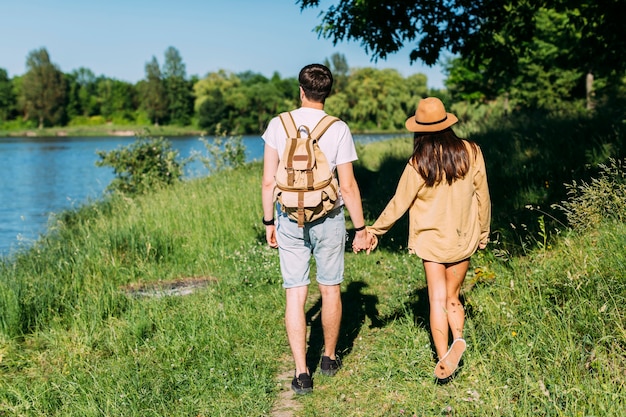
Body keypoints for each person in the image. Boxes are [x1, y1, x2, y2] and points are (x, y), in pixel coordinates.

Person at [364, 97, 491, 383]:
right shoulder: (471, 152)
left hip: (432, 242)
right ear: (447, 122)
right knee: (453, 297)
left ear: (419, 130)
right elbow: (483, 195)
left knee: (436, 300)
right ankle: (459, 337)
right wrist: (483, 231)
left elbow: (399, 203)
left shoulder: (418, 162)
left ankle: (445, 357)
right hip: (463, 237)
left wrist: (375, 231)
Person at [261, 63, 370, 394]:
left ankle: (301, 373)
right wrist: (361, 228)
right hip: (329, 216)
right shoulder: (337, 128)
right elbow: (348, 186)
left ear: (301, 90)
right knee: (330, 288)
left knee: (296, 293)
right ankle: (329, 358)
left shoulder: (279, 124)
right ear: (329, 91)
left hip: (289, 217)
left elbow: (269, 181)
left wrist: (269, 221)